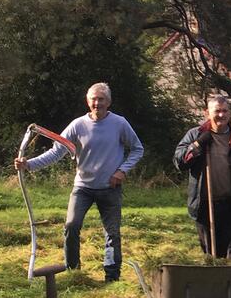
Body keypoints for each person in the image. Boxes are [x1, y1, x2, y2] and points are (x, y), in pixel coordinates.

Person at [14, 82, 144, 282]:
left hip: (110, 188)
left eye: (101, 99)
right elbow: (57, 152)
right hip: (83, 187)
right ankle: (74, 272)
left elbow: (137, 149)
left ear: (108, 102)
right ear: (87, 101)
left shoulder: (120, 124)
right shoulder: (77, 125)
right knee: (71, 226)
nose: (97, 103)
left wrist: (122, 171)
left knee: (112, 233)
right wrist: (28, 165)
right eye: (93, 98)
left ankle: (111, 276)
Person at [174, 94, 231, 261]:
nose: (221, 115)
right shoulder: (195, 135)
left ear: (230, 113)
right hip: (204, 205)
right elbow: (179, 162)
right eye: (217, 111)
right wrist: (198, 145)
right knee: (211, 254)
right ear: (207, 112)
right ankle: (214, 285)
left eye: (225, 111)